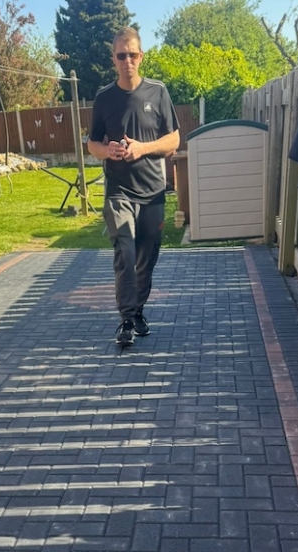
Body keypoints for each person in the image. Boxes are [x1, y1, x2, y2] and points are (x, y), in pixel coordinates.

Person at [87, 27, 180, 347]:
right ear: (113, 59)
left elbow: (174, 139)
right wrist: (107, 150)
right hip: (119, 190)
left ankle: (138, 309)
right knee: (125, 250)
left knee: (146, 257)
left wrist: (142, 148)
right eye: (121, 55)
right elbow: (92, 144)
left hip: (153, 190)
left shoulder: (158, 92)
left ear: (141, 56)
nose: (127, 61)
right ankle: (126, 319)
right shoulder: (104, 98)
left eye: (132, 55)